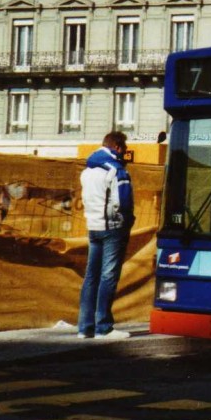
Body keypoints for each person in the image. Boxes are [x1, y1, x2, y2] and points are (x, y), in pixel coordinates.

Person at [77, 131, 135, 340]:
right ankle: (104, 327)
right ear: (118, 147)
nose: (125, 154)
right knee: (109, 277)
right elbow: (124, 202)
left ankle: (84, 327)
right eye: (125, 149)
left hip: (93, 227)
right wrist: (127, 221)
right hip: (113, 228)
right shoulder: (116, 171)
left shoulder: (88, 170)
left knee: (91, 277)